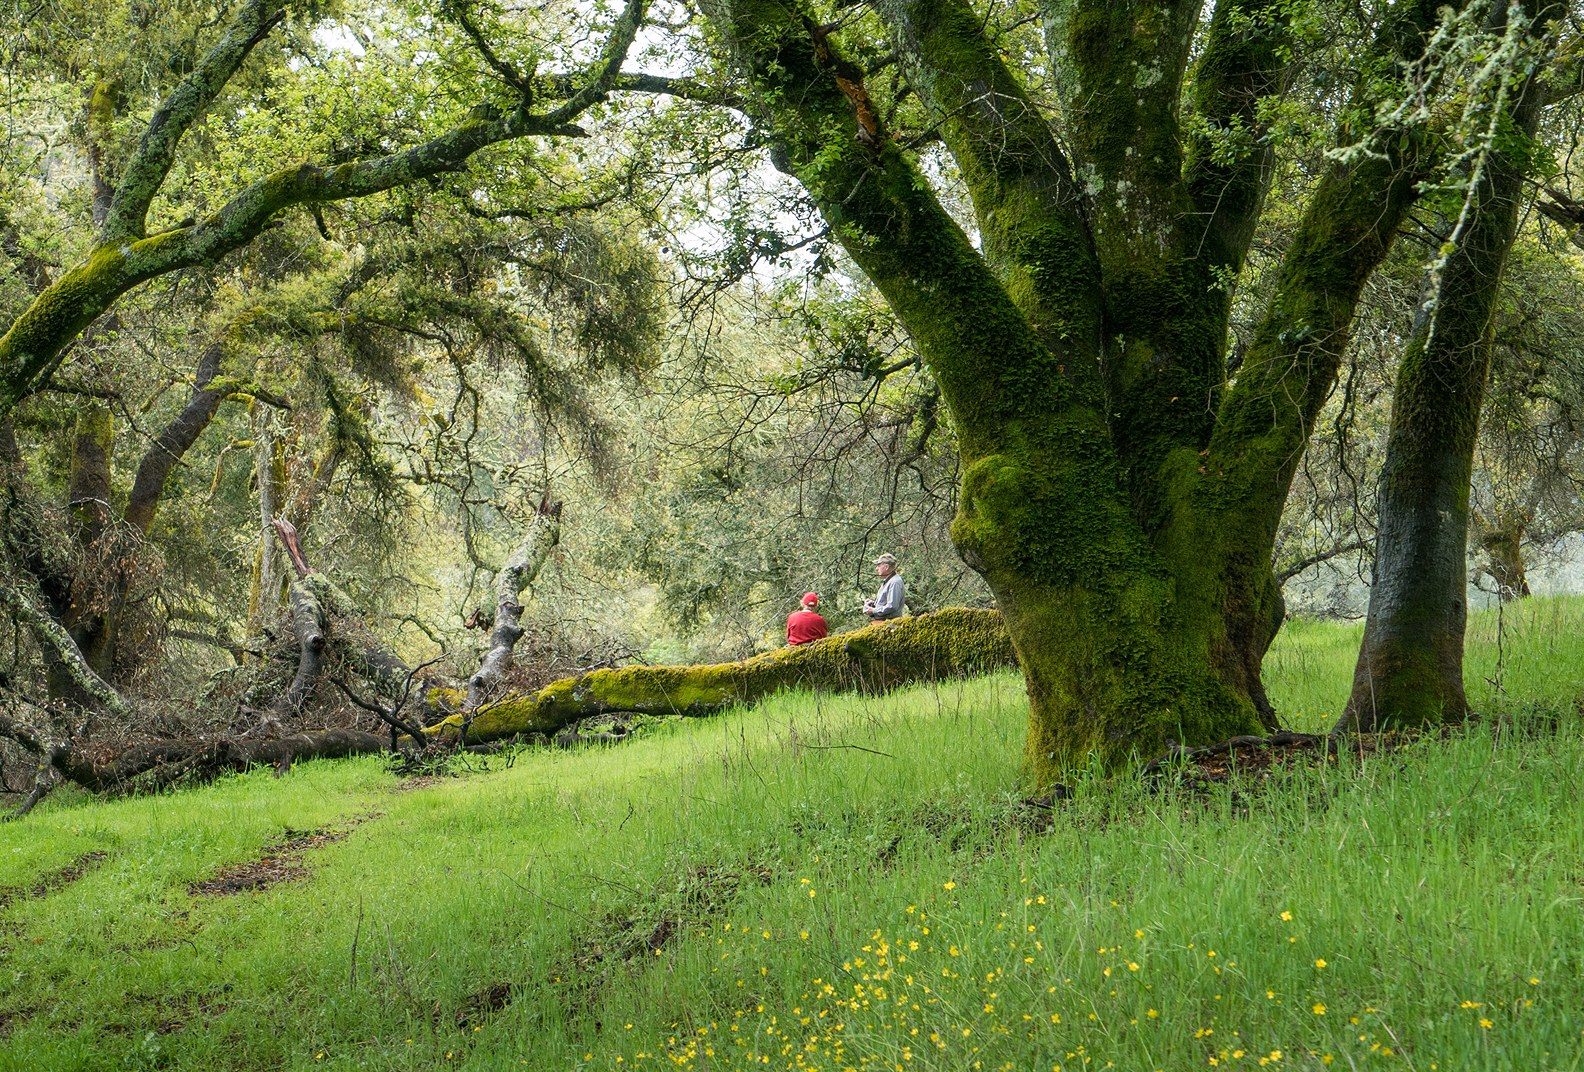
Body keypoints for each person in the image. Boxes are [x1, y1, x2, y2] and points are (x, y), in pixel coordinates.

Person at [863, 553, 906, 620]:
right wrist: (873, 604)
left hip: (889, 624)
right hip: (884, 623)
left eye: (879, 566)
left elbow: (892, 606)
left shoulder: (895, 582)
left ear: (886, 567)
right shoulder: (889, 581)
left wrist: (873, 611)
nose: (876, 568)